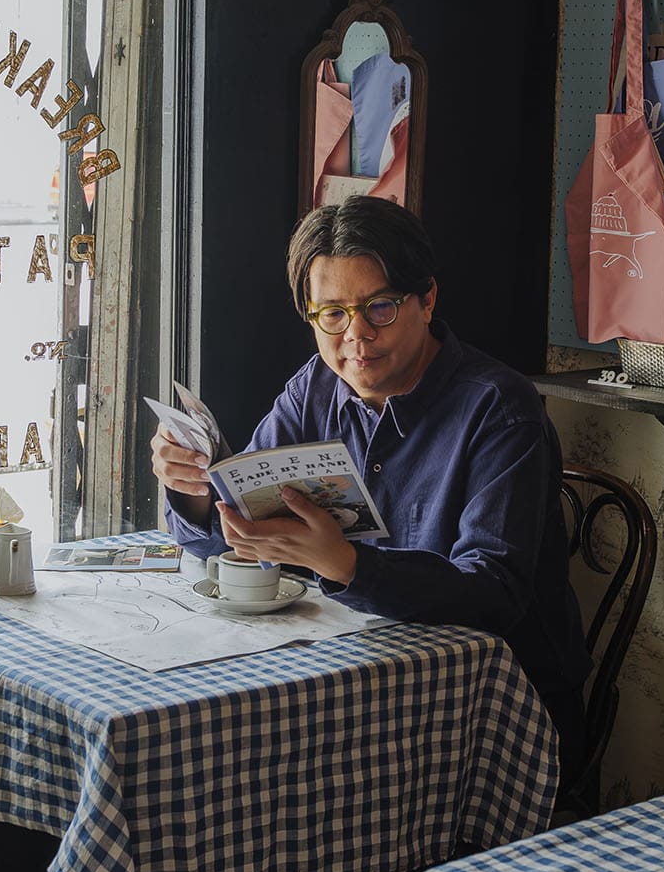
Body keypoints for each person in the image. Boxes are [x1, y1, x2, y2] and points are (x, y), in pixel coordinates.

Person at [153, 194, 589, 778]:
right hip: (351, 685)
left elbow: (494, 595)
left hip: (486, 718)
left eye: (379, 307)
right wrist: (195, 489)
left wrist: (347, 565)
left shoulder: (498, 409)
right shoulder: (315, 387)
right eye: (331, 313)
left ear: (427, 299)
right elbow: (238, 528)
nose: (355, 335)